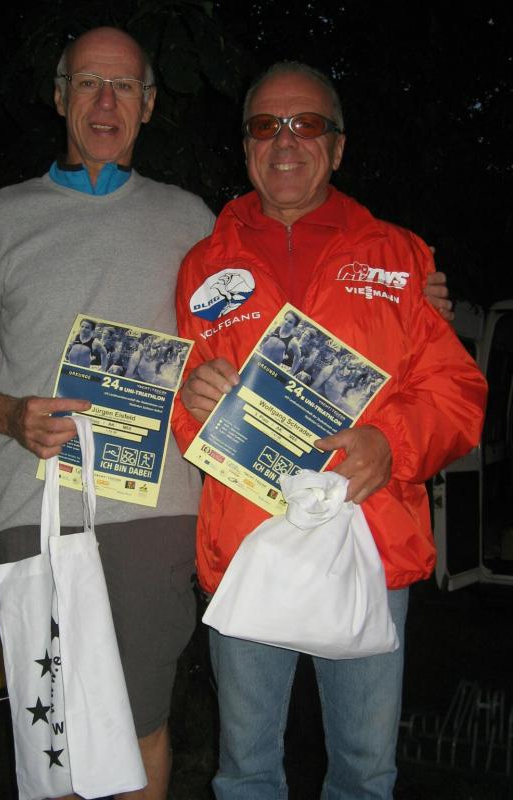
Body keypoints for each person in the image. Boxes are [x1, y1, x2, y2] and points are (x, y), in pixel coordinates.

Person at [173, 62, 487, 799]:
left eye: (307, 124)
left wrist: (390, 444)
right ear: (246, 146)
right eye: (265, 126)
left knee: (365, 774)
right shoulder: (203, 265)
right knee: (246, 774)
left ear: (338, 147)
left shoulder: (401, 258)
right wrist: (193, 401)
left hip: (370, 544)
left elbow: (457, 392)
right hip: (248, 547)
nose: (285, 140)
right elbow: (186, 407)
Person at [0, 27, 216, 800]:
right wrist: (7, 413)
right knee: (51, 737)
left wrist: (413, 296)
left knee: (141, 726)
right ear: (60, 98)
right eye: (88, 82)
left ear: (148, 105)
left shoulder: (193, 219)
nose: (106, 101)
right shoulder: (1, 217)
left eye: (124, 86)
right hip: (34, 507)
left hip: (154, 511)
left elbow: (257, 323)